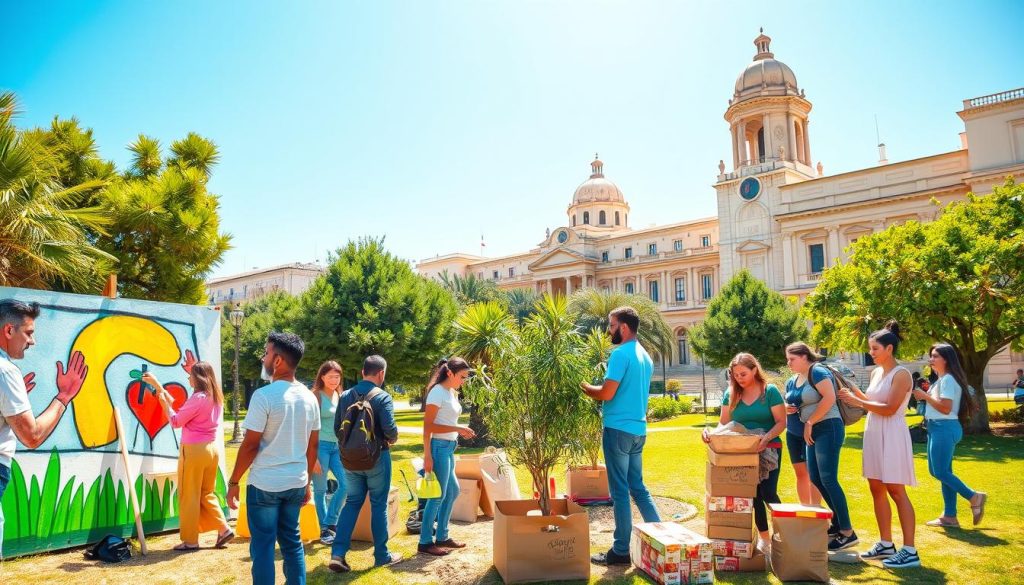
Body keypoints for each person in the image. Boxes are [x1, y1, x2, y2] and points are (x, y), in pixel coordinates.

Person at [227, 332, 319, 585]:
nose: (262, 358)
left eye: (266, 353)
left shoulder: (264, 396)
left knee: (264, 547)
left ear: (277, 360)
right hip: (296, 482)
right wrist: (307, 483)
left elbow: (249, 446)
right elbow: (313, 446)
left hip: (265, 484)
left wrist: (234, 481)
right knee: (292, 542)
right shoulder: (310, 398)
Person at [0, 300, 87, 558]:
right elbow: (32, 435)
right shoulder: (5, 371)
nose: (32, 341)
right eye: (28, 332)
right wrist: (64, 396)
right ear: (8, 331)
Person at [581, 306, 661, 566]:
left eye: (611, 325)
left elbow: (606, 393)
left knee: (619, 491)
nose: (609, 330)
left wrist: (584, 387)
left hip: (617, 431)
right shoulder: (645, 356)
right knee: (638, 488)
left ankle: (620, 550)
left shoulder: (620, 354)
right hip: (638, 431)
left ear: (623, 327)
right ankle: (662, 537)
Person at [838, 321, 919, 569]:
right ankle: (886, 543)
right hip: (874, 431)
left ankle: (910, 550)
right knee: (876, 488)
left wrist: (857, 400)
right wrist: (850, 390)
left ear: (889, 349)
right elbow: (871, 401)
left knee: (896, 489)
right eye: (870, 348)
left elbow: (891, 408)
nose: (870, 353)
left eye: (874, 349)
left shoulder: (902, 374)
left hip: (892, 433)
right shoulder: (875, 373)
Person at [144, 360, 234, 551]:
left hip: (194, 451)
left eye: (191, 375)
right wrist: (158, 386)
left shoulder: (198, 398)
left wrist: (160, 398)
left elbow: (176, 420)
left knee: (189, 495)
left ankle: (190, 540)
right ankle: (224, 529)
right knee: (205, 493)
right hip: (211, 450)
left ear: (198, 377)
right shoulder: (215, 397)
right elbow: (180, 407)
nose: (188, 378)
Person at [703, 353, 786, 555]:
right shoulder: (731, 394)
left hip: (769, 449)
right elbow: (723, 424)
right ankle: (765, 540)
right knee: (753, 495)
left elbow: (782, 422)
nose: (739, 378)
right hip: (741, 451)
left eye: (743, 373)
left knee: (768, 492)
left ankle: (784, 535)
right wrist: (708, 431)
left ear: (755, 370)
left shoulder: (770, 391)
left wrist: (765, 439)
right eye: (735, 375)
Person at [329, 355, 402, 572]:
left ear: (362, 372)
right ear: (381, 373)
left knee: (352, 502)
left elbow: (337, 429)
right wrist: (392, 438)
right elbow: (390, 430)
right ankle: (382, 555)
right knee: (378, 504)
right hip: (377, 457)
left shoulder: (344, 396)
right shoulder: (383, 397)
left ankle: (338, 554)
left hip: (350, 459)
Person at [784, 343, 857, 551]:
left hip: (828, 427)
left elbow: (830, 397)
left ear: (805, 356)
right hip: (814, 429)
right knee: (815, 478)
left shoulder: (817, 370)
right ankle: (837, 525)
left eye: (792, 359)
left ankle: (847, 532)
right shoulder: (799, 377)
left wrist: (810, 422)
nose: (788, 363)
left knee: (828, 478)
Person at [912, 343, 986, 528]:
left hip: (944, 427)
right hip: (938, 428)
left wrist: (925, 396)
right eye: (931, 356)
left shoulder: (948, 380)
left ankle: (974, 497)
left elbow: (945, 408)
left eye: (935, 356)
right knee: (942, 472)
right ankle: (950, 516)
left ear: (946, 359)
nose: (931, 359)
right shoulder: (943, 380)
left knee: (941, 471)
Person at [418, 357, 476, 556]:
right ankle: (425, 541)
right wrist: (427, 455)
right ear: (449, 373)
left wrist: (457, 431)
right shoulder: (437, 392)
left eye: (466, 377)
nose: (464, 381)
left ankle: (442, 536)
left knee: (452, 491)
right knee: (437, 496)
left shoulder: (451, 392)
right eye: (462, 377)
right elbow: (428, 427)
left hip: (449, 447)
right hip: (438, 447)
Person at [310, 360, 346, 545]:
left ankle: (330, 521)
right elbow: (307, 427)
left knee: (346, 485)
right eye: (330, 376)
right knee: (321, 489)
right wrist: (312, 457)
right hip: (320, 447)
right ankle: (325, 530)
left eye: (337, 376)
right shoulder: (315, 396)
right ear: (322, 376)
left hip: (336, 447)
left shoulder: (339, 395)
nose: (334, 380)